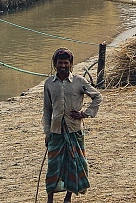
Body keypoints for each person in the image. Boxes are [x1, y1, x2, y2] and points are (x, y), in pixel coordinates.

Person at [42, 48, 102, 202]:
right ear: (55, 64)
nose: (63, 66)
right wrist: (47, 133)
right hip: (56, 131)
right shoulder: (49, 83)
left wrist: (84, 114)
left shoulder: (79, 81)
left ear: (70, 64)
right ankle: (50, 199)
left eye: (66, 63)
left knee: (74, 164)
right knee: (53, 166)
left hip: (74, 130)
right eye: (60, 63)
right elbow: (47, 110)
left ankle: (68, 197)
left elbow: (97, 97)